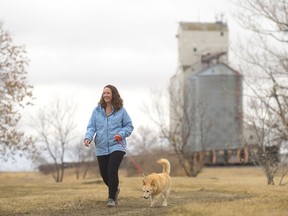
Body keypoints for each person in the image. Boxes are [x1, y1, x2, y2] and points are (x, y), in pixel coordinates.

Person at [84, 84, 134, 207]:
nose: (106, 95)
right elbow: (91, 127)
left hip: (117, 145)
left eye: (108, 93)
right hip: (101, 146)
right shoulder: (97, 110)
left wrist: (121, 134)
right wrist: (88, 137)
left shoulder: (121, 110)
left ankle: (111, 198)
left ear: (113, 95)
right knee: (104, 174)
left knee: (112, 170)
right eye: (104, 93)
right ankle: (115, 189)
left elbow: (129, 126)